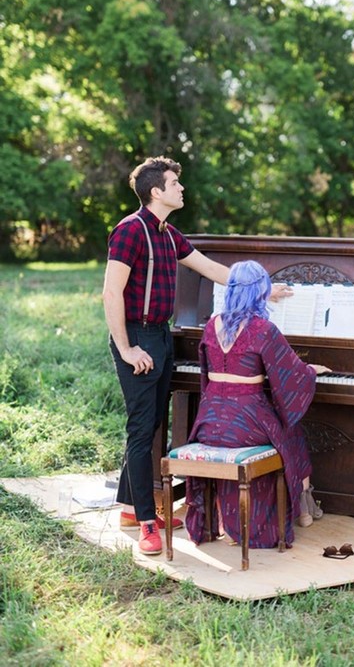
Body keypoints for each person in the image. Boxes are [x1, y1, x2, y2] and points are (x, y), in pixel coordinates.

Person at [102, 156, 291, 556]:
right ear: (156, 191)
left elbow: (208, 267)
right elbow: (110, 292)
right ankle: (148, 524)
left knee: (151, 425)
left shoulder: (169, 234)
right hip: (137, 337)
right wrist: (126, 347)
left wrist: (262, 290)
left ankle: (129, 510)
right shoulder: (129, 231)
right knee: (141, 429)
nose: (181, 188)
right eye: (175, 183)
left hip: (162, 337)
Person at [185, 259, 329, 550]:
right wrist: (312, 370)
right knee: (291, 433)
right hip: (245, 424)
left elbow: (205, 378)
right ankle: (300, 510)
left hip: (209, 422)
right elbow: (292, 374)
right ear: (260, 292)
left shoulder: (211, 325)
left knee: (282, 430)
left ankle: (225, 519)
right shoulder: (263, 329)